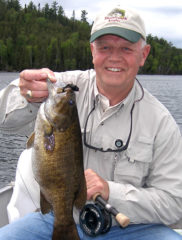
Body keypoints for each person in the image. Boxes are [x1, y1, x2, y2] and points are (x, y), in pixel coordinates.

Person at [0, 6, 182, 240]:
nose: (114, 57)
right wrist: (23, 93)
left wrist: (110, 191)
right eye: (105, 47)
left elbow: (174, 202)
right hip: (56, 217)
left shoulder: (161, 122)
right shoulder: (62, 89)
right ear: (92, 51)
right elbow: (5, 120)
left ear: (144, 54)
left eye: (126, 48)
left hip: (128, 227)